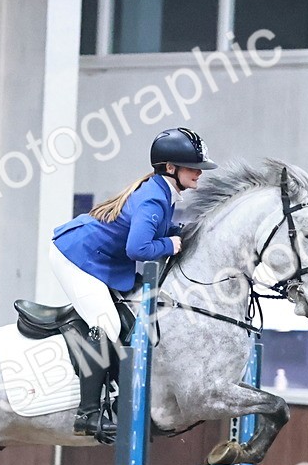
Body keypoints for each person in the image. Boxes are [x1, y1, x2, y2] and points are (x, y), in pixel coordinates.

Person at [50, 127, 217, 441]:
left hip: (100, 256)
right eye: (193, 167)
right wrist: (171, 245)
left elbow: (163, 229)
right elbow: (137, 249)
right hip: (76, 256)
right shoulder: (154, 198)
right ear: (171, 168)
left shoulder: (163, 191)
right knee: (107, 324)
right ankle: (88, 414)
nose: (198, 173)